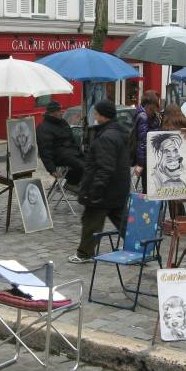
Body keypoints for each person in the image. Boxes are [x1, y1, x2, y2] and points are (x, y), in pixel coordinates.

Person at [68, 100, 130, 264]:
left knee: (91, 223)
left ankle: (84, 254)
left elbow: (105, 168)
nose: (94, 116)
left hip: (105, 191)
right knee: (123, 222)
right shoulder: (117, 132)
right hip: (118, 188)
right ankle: (141, 248)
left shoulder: (106, 137)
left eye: (96, 113)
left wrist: (95, 191)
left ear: (103, 116)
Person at [36, 101, 84, 189]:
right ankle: (72, 183)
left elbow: (72, 139)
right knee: (81, 166)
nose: (61, 112)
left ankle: (77, 184)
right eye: (58, 110)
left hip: (71, 153)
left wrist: (80, 151)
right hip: (59, 157)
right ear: (52, 113)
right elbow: (44, 150)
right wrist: (51, 169)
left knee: (90, 163)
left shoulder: (63, 122)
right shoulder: (43, 127)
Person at [132, 91, 161, 193]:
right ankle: (147, 208)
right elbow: (143, 142)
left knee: (150, 188)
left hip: (150, 158)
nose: (154, 111)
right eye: (152, 108)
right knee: (148, 189)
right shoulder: (144, 117)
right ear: (148, 105)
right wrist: (141, 164)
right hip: (147, 160)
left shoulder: (151, 117)